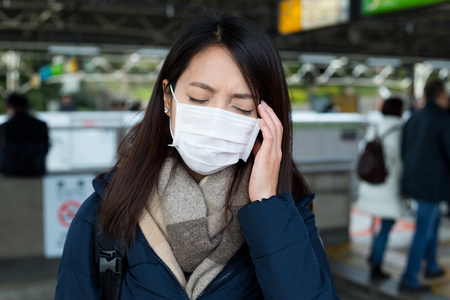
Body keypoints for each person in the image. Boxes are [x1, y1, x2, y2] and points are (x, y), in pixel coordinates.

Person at [55, 15, 339, 299]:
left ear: (267, 117)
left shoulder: (289, 214)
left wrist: (268, 205)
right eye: (199, 100)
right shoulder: (107, 209)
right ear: (168, 98)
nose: (216, 121)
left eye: (242, 107)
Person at [399, 79, 450, 293]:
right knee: (424, 229)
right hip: (432, 184)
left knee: (432, 223)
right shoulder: (442, 119)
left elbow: (404, 148)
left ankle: (431, 265)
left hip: (414, 181)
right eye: (446, 94)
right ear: (439, 95)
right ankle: (409, 278)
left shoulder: (413, 117)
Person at [356, 97, 404, 280]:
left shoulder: (375, 126)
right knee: (387, 224)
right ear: (399, 110)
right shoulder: (399, 129)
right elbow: (399, 161)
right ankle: (376, 263)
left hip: (371, 185)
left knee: (377, 223)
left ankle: (373, 255)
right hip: (388, 187)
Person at [0, 92, 49, 176]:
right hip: (35, 171)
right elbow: (45, 147)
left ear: (10, 106)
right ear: (27, 105)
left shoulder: (5, 127)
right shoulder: (40, 125)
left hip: (10, 172)